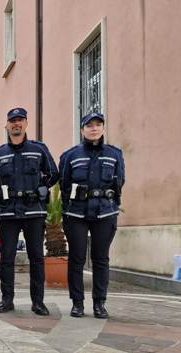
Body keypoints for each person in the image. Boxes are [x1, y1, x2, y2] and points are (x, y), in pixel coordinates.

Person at [0, 107, 58, 316]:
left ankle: (38, 302)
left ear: (26, 123)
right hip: (8, 212)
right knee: (7, 257)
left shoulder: (38, 149)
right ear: (7, 125)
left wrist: (42, 187)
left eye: (20, 120)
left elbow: (53, 173)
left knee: (36, 257)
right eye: (12, 121)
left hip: (34, 210)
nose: (16, 124)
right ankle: (7, 300)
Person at [59, 112, 125, 319]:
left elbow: (119, 181)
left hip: (105, 212)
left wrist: (111, 202)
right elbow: (64, 184)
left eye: (98, 124)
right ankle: (77, 303)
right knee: (76, 259)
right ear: (82, 129)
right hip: (76, 213)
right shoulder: (70, 155)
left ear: (103, 128)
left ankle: (99, 303)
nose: (94, 128)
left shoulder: (114, 154)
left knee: (101, 259)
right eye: (89, 125)